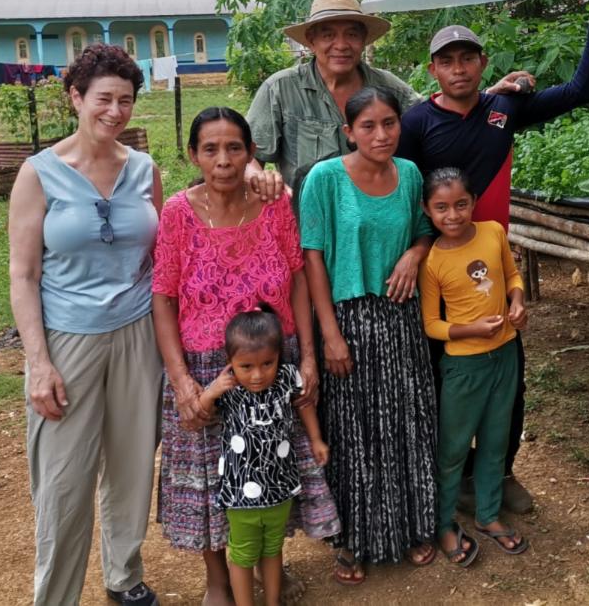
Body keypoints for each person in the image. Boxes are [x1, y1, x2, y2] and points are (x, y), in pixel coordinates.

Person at [396, 0, 589, 514]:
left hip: (493, 270)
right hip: (437, 271)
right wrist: (416, 251)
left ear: (482, 62)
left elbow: (580, 91)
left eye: (467, 58)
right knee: (441, 379)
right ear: (433, 71)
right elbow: (402, 195)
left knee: (507, 377)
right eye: (447, 61)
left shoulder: (504, 109)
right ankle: (446, 481)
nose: (459, 69)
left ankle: (500, 471)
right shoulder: (414, 123)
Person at [151, 108, 337, 605]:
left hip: (274, 363)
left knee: (271, 468)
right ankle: (219, 580)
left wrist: (309, 358)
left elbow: (297, 278)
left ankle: (267, 566)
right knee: (214, 477)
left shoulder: (273, 207)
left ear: (251, 153)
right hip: (208, 368)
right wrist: (181, 380)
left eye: (235, 148)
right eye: (210, 149)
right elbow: (163, 297)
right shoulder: (178, 212)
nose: (224, 160)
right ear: (193, 155)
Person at [7, 44, 163, 606]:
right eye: (104, 98)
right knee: (64, 480)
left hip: (137, 332)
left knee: (131, 463)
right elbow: (23, 275)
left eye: (125, 100)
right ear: (75, 97)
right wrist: (38, 363)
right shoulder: (39, 174)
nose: (115, 111)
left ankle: (123, 576)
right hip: (68, 338)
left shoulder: (144, 170)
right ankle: (56, 597)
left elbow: (164, 256)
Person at [299, 87, 442, 585]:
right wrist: (329, 335)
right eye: (368, 126)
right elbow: (312, 256)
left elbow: (426, 228)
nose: (381, 135)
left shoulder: (409, 175)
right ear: (348, 132)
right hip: (349, 320)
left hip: (402, 318)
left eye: (389, 123)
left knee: (406, 422)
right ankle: (353, 540)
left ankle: (410, 526)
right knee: (354, 432)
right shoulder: (325, 178)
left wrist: (414, 253)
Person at [245, 0, 530, 206]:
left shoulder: (388, 88)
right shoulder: (280, 89)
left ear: (364, 40)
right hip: (309, 229)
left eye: (352, 34)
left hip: (377, 226)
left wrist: (485, 96)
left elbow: (437, 116)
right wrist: (259, 178)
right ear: (311, 40)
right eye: (328, 34)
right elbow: (249, 157)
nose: (341, 45)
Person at [419, 167, 529, 567]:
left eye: (461, 204)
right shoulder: (432, 262)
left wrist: (517, 302)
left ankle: (487, 515)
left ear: (473, 202)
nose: (453, 215)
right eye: (442, 208)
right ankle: (444, 522)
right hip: (463, 367)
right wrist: (470, 329)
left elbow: (512, 275)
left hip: (505, 355)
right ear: (427, 210)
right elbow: (431, 324)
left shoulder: (493, 233)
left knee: (495, 441)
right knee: (452, 449)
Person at [197, 310, 330, 606]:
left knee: (273, 548)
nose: (257, 375)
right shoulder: (228, 385)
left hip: (279, 486)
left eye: (267, 363)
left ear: (278, 357)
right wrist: (210, 393)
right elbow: (200, 412)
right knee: (243, 553)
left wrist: (316, 439)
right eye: (246, 366)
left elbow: (303, 404)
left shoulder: (286, 377)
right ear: (230, 361)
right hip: (240, 493)